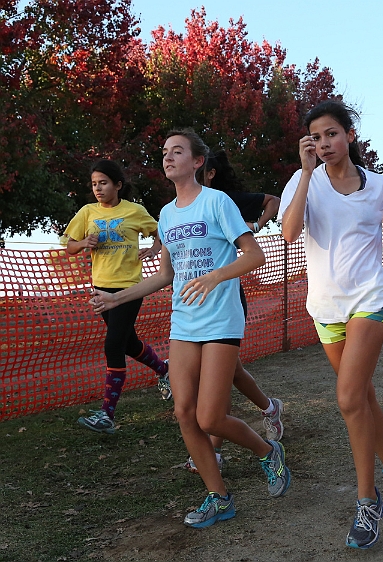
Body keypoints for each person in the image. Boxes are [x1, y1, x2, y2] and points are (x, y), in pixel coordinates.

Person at [91, 128, 291, 529]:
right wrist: (118, 298)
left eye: (177, 151)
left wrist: (216, 277)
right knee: (184, 412)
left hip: (220, 317)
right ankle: (219, 497)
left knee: (211, 418)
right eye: (165, 152)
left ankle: (267, 451)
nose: (168, 157)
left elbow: (255, 256)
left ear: (197, 162)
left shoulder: (217, 202)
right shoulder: (166, 214)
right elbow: (166, 274)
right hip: (184, 320)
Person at [279, 100, 383, 550]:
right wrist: (302, 174)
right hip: (325, 311)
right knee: (363, 397)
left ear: (349, 136)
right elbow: (290, 232)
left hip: (370, 301)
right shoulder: (305, 182)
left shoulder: (380, 186)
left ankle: (366, 500)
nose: (324, 143)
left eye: (332, 134)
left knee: (348, 397)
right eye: (316, 137)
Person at [180, 149, 284, 475]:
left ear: (208, 172)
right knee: (231, 374)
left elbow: (273, 200)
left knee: (219, 380)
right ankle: (270, 408)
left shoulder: (226, 200)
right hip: (195, 306)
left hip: (225, 299)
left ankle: (215, 450)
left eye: (195, 164)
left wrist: (257, 223)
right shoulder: (181, 208)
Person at [65, 159, 169, 434]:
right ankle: (164, 370)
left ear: (118, 185)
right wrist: (82, 243)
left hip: (129, 288)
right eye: (94, 184)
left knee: (113, 345)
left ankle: (107, 415)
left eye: (104, 183)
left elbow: (161, 231)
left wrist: (156, 247)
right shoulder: (87, 212)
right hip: (100, 287)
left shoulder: (134, 211)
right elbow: (68, 246)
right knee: (128, 342)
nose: (98, 188)